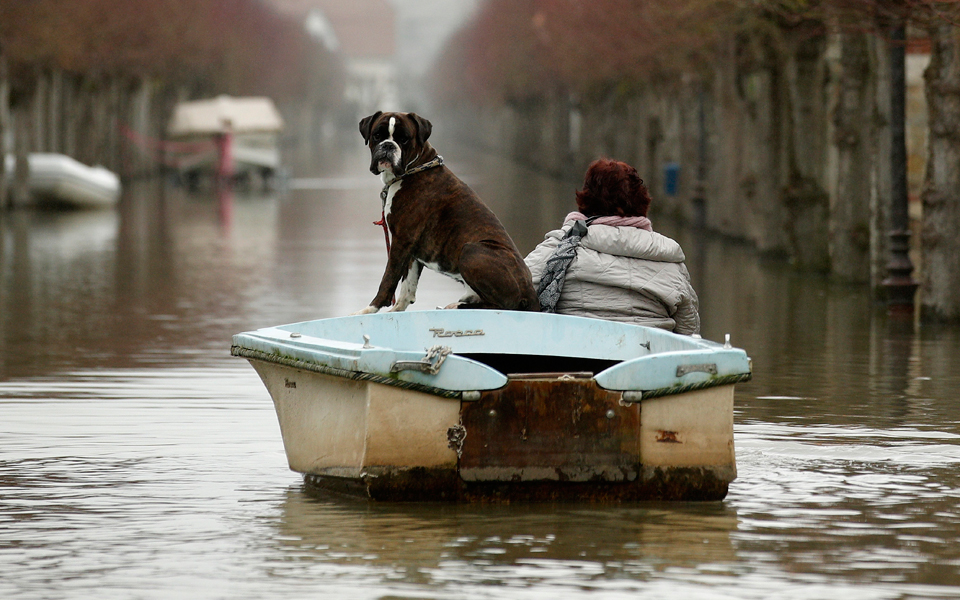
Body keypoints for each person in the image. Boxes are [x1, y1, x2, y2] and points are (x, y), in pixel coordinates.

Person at [524, 158, 700, 335]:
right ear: (643, 203)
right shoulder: (671, 264)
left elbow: (512, 293)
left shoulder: (558, 249)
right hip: (646, 360)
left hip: (573, 358)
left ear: (584, 201)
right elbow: (689, 333)